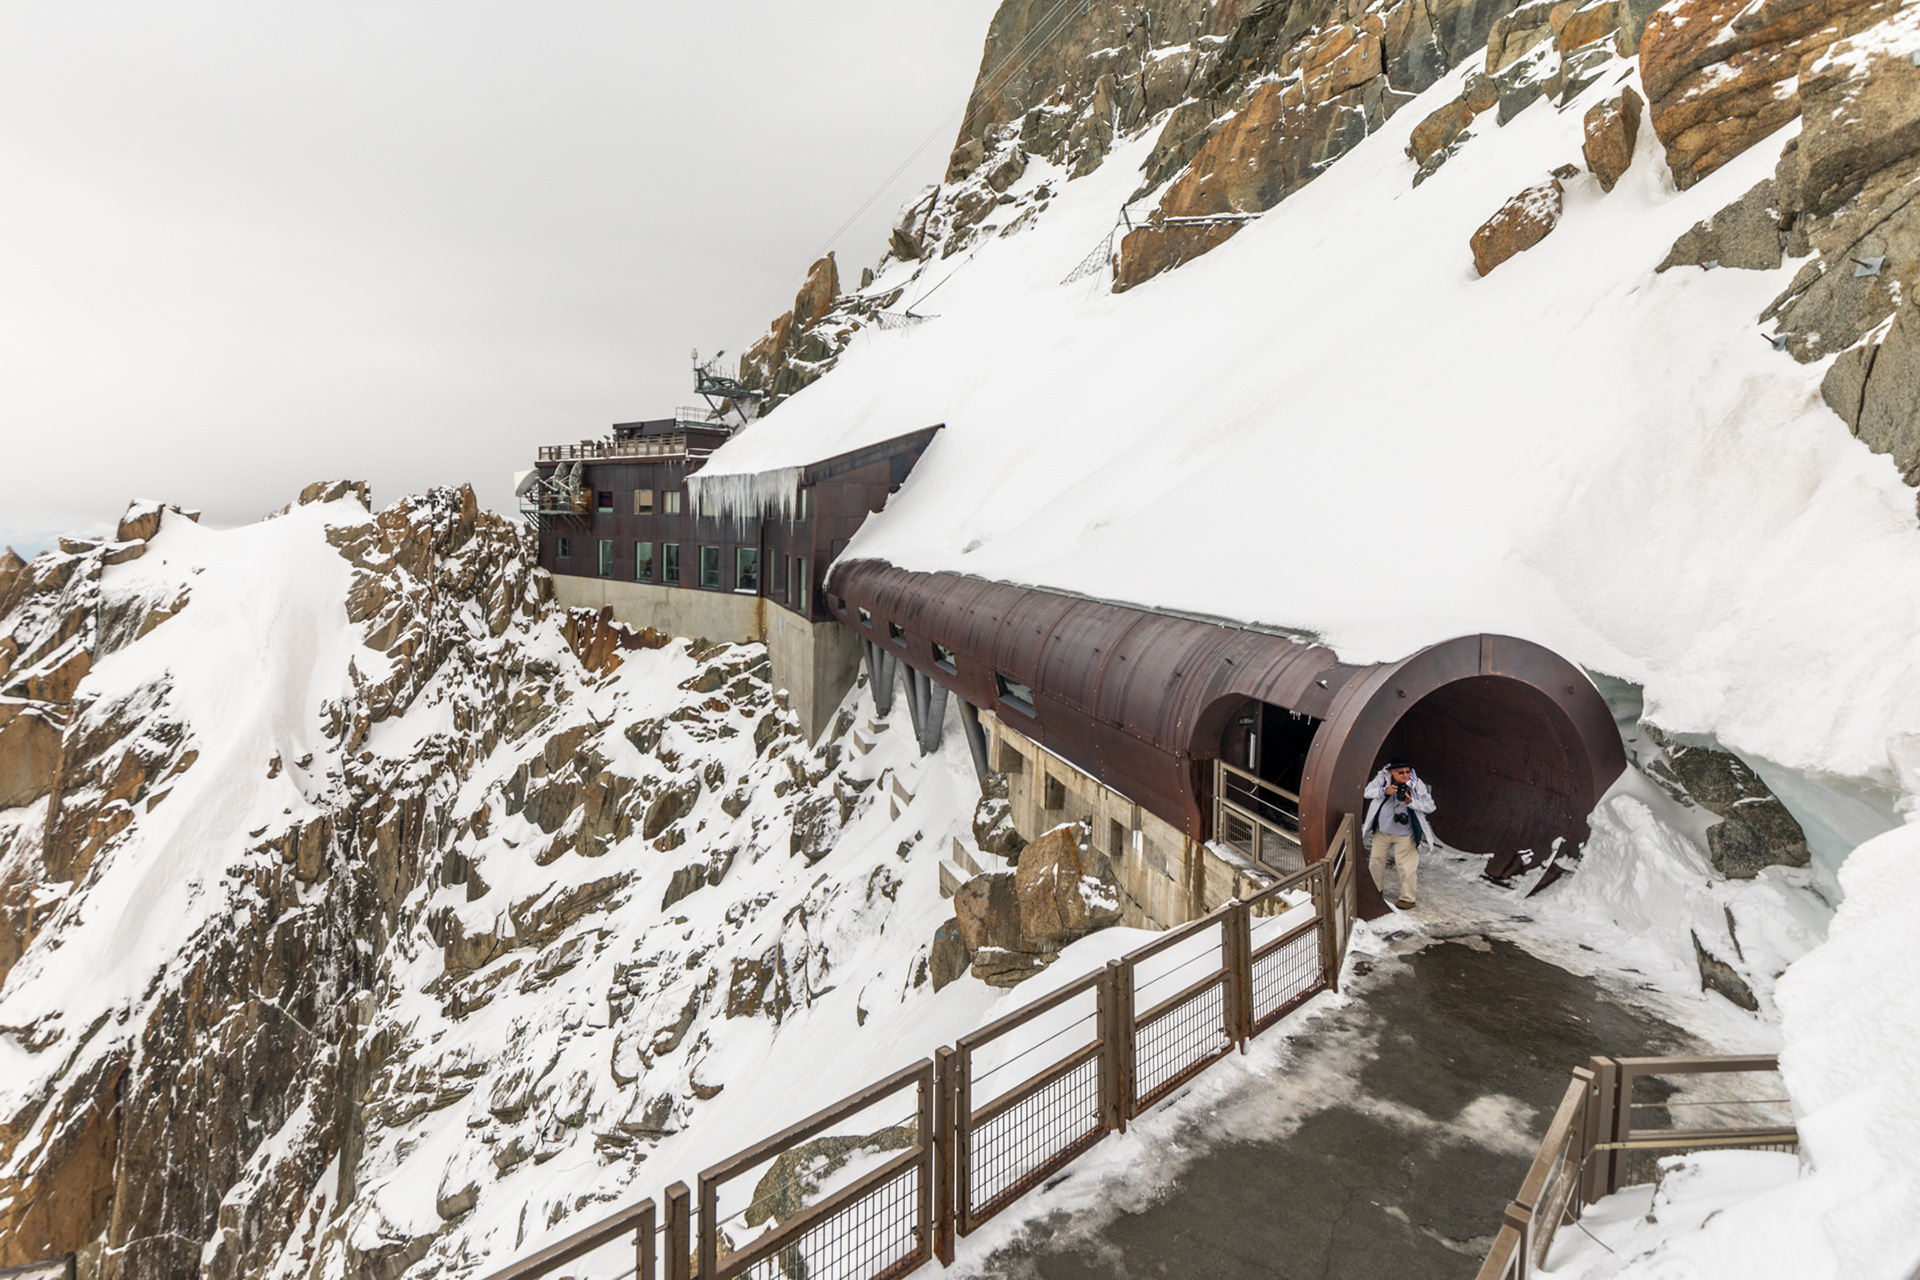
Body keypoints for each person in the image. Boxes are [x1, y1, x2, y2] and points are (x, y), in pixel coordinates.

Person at [1363, 759, 1435, 910]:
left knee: (1407, 867)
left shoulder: (1416, 784)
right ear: (1391, 772)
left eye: (1408, 772)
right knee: (1376, 862)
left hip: (1405, 834)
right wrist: (1384, 791)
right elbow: (1367, 792)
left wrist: (1411, 802)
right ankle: (1375, 891)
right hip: (1382, 831)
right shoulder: (1382, 779)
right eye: (1400, 772)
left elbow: (1430, 806)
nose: (1405, 775)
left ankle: (1407, 899)